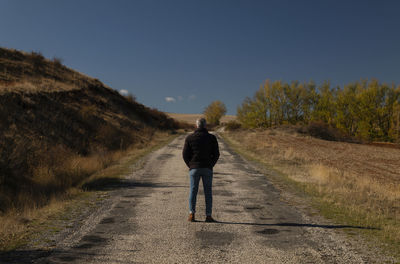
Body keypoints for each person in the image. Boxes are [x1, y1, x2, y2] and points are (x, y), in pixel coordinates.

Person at [182, 118, 220, 222]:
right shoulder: (212, 138)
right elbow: (216, 154)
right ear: (205, 125)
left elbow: (185, 154)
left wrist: (190, 165)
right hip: (207, 168)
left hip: (194, 168)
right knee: (208, 192)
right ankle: (208, 216)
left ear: (196, 125)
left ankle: (191, 214)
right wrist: (211, 164)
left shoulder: (190, 137)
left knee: (193, 191)